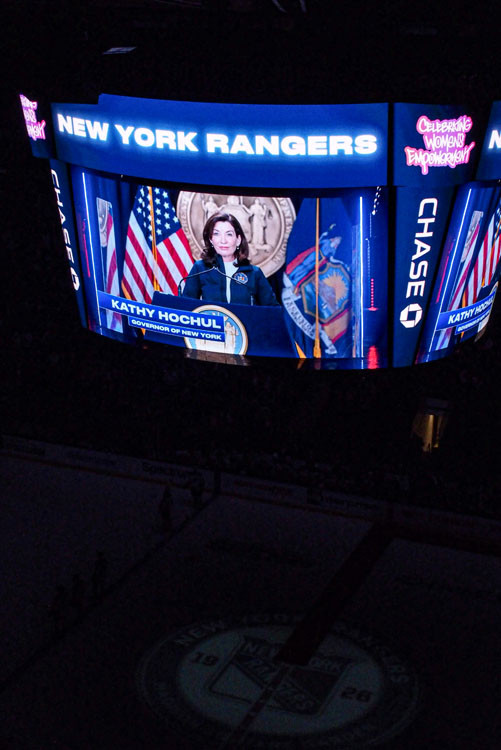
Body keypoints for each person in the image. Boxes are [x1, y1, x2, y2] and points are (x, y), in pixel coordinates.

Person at [181, 212, 279, 306]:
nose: (223, 241)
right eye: (216, 234)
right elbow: (186, 307)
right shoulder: (200, 269)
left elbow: (272, 310)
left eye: (229, 234)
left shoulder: (254, 273)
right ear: (211, 239)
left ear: (238, 240)